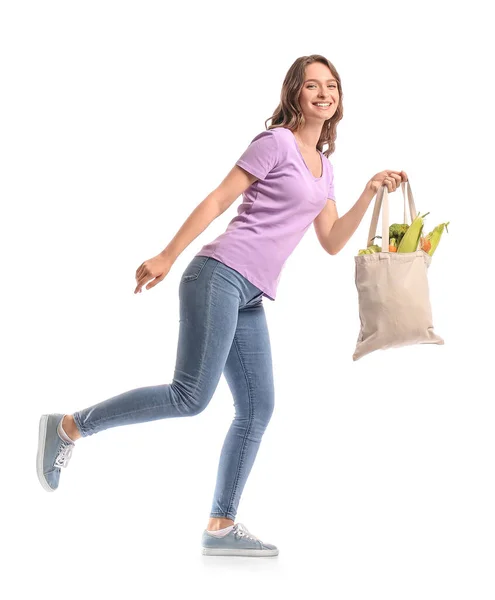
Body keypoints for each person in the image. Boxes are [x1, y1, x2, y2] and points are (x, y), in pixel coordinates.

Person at [36, 54, 407, 557]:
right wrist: (168, 254)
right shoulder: (275, 142)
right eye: (313, 85)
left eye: (332, 86)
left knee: (258, 407)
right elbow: (218, 199)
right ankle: (68, 427)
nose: (324, 93)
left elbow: (333, 240)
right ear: (295, 93)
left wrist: (367, 191)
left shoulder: (325, 170)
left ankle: (220, 525)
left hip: (250, 293)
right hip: (219, 275)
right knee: (190, 396)